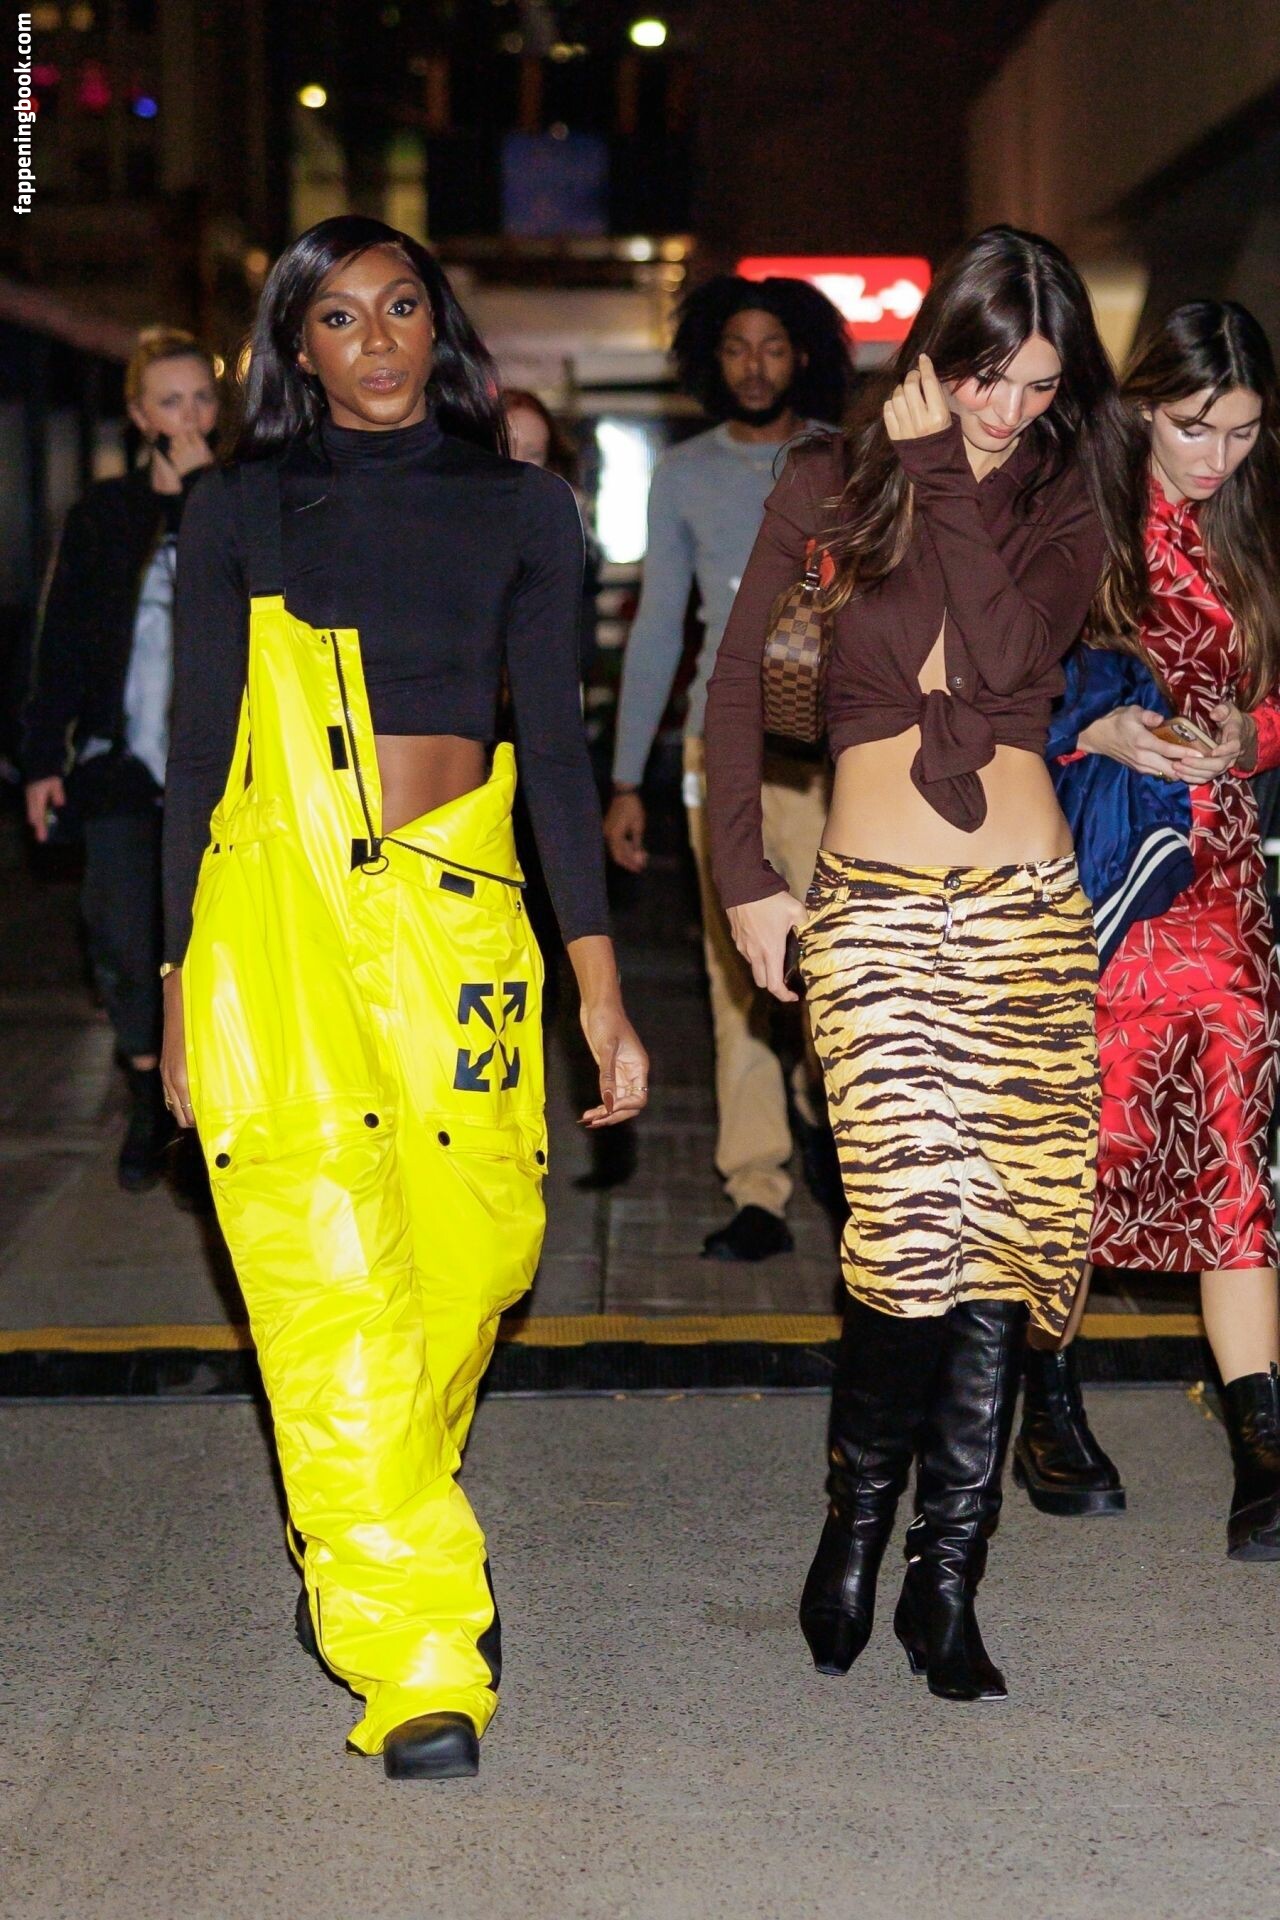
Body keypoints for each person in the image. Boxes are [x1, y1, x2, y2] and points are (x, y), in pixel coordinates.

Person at [160, 216, 647, 1778]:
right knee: (328, 1279)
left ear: (439, 326)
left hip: (460, 912)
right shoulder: (240, 508)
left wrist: (598, 986)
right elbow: (196, 759)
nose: (374, 340)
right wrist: (178, 987)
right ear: (295, 348)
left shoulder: (524, 506)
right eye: (338, 317)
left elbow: (557, 753)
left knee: (477, 1252)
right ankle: (416, 1646)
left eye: (400, 307)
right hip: (278, 916)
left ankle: (368, 1523)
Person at [705, 227, 1135, 1700]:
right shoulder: (825, 479)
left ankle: (944, 1580)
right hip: (875, 908)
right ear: (933, 353)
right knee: (901, 1237)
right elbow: (734, 686)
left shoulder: (1069, 491)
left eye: (1039, 384)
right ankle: (855, 1521)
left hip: (1025, 912)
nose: (1008, 409)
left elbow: (1010, 661)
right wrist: (744, 881)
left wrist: (949, 470)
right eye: (985, 376)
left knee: (1007, 1244)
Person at [1016, 301, 1280, 1560]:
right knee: (1079, 1133)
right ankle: (1044, 1395)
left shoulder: (1253, 529)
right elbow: (988, 678)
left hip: (1221, 878)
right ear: (1137, 408)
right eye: (1191, 427)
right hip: (1099, 876)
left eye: (1242, 431)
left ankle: (1261, 1439)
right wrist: (1091, 726)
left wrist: (1248, 736)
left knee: (1236, 1138)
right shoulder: (1073, 519)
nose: (1215, 456)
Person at [604, 275, 855, 1260]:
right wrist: (627, 778)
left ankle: (837, 1136)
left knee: (838, 958)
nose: (755, 365)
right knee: (732, 969)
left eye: (773, 346)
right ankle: (756, 1186)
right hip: (722, 746)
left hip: (831, 749)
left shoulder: (846, 460)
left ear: (804, 356)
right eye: (736, 346)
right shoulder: (681, 474)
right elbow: (659, 629)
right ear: (711, 358)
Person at [22, 327, 220, 1193]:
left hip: (218, 769)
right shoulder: (104, 514)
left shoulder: (233, 503)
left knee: (209, 942)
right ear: (140, 415)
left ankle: (205, 1104)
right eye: (171, 402)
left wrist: (202, 490)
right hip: (120, 763)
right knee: (124, 937)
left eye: (202, 398)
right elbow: (61, 640)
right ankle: (147, 1093)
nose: (190, 417)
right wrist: (42, 757)